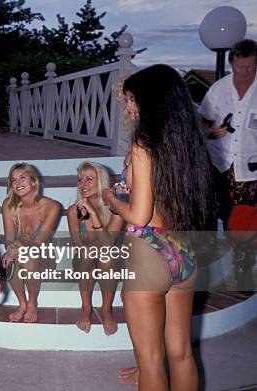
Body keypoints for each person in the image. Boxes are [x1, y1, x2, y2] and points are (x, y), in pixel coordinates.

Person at [103, 64, 214, 390]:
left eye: (131, 99)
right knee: (180, 354)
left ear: (148, 101)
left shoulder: (143, 146)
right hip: (183, 251)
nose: (127, 106)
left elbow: (138, 215)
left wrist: (111, 198)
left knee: (150, 359)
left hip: (149, 253)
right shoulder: (188, 145)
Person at [197, 38, 257, 291]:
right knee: (211, 216)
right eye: (239, 67)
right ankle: (203, 272)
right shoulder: (219, 89)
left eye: (250, 68)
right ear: (232, 63)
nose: (243, 73)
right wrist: (211, 131)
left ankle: (242, 278)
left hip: (249, 169)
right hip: (219, 165)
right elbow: (201, 121)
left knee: (244, 224)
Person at [67, 161, 124, 335]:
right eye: (80, 179)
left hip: (111, 259)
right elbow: (77, 244)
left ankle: (106, 309)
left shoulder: (117, 208)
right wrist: (86, 219)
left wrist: (93, 214)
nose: (82, 184)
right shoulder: (73, 211)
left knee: (106, 256)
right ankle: (86, 307)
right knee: (86, 252)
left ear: (102, 182)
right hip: (85, 260)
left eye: (89, 179)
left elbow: (107, 245)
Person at [1, 163, 61, 323]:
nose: (17, 183)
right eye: (13, 180)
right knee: (8, 258)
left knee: (28, 256)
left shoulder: (52, 206)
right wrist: (9, 249)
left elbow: (39, 241)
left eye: (22, 178)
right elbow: (8, 237)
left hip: (43, 256)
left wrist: (17, 247)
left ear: (34, 181)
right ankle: (22, 304)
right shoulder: (8, 205)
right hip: (21, 252)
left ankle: (32, 303)